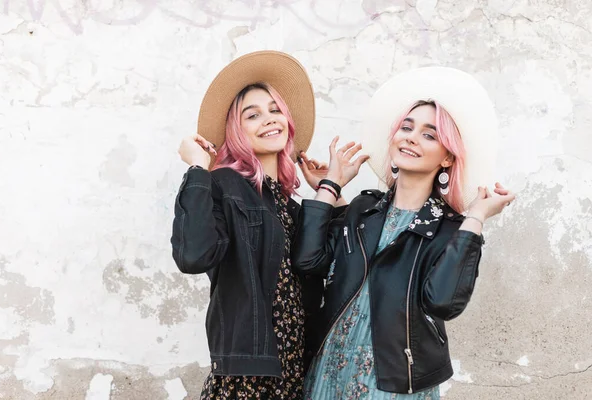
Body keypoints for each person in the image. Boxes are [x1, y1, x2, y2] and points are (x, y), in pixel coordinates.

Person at [292, 67, 515, 399]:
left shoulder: (452, 230)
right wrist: (329, 187)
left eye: (429, 134)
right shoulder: (363, 212)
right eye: (406, 127)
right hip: (329, 374)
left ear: (448, 156)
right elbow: (309, 261)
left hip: (393, 385)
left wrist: (477, 218)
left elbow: (441, 302)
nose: (410, 137)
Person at [170, 50, 323, 399]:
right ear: (236, 130)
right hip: (248, 376)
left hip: (294, 371)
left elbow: (324, 266)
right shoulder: (225, 185)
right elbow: (193, 256)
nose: (269, 119)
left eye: (275, 110)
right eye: (252, 115)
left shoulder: (288, 204)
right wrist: (197, 170)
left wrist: (326, 192)